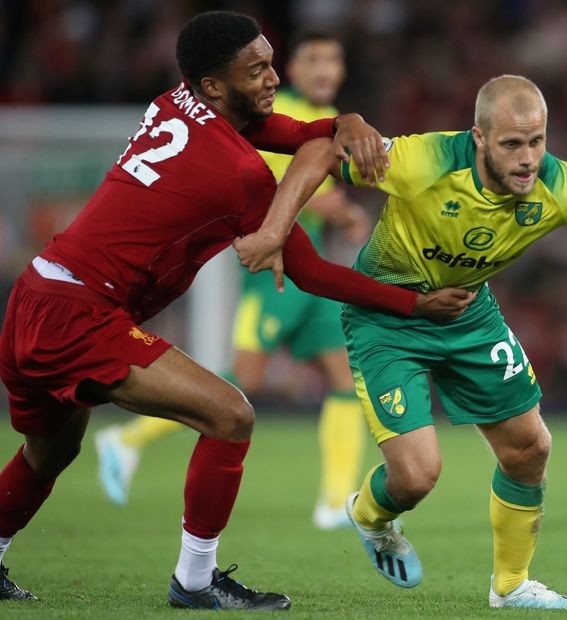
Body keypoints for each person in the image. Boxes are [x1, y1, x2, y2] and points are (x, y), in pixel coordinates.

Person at [0, 11, 473, 608]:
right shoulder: (238, 174)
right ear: (215, 87)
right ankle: (195, 581)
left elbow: (288, 132)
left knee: (50, 451)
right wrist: (415, 304)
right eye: (257, 71)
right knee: (231, 415)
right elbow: (311, 270)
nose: (274, 77)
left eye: (272, 61)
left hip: (37, 293)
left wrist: (345, 120)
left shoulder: (177, 101)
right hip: (81, 314)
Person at [235, 74, 567, 611]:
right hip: (387, 318)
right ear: (479, 138)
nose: (528, 159)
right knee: (415, 477)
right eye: (511, 144)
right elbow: (318, 150)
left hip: (467, 316)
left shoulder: (561, 184)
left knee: (530, 448)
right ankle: (370, 516)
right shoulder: (422, 160)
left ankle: (512, 584)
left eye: (537, 141)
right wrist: (275, 230)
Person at [94, 31, 370, 530]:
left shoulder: (314, 114)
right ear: (295, 68)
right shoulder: (268, 108)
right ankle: (128, 439)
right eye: (313, 60)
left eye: (334, 59)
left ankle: (334, 501)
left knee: (344, 377)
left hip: (311, 268)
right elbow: (274, 187)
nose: (325, 69)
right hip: (274, 272)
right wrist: (342, 209)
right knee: (245, 381)